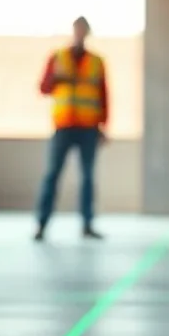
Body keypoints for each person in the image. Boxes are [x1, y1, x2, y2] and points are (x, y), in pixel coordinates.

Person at [34, 16, 108, 241]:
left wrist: (103, 125)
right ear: (73, 30)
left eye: (84, 30)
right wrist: (56, 78)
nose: (80, 33)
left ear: (88, 32)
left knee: (87, 177)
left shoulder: (96, 62)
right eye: (77, 29)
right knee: (52, 175)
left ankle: (87, 224)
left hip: (88, 128)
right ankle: (41, 224)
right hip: (64, 127)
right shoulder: (57, 58)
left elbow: (104, 96)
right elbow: (43, 88)